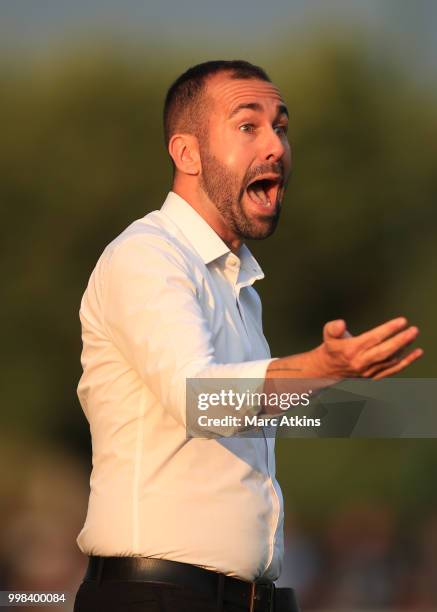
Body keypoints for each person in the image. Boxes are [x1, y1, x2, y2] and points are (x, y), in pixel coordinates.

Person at [73, 60, 423, 612]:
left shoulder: (241, 288)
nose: (276, 147)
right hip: (157, 597)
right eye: (248, 126)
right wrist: (324, 367)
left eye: (281, 127)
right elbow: (202, 401)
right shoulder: (146, 256)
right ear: (186, 153)